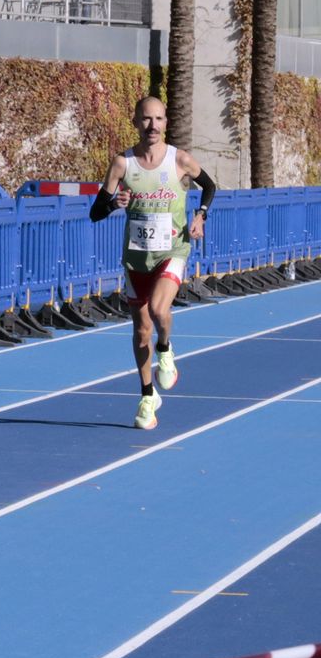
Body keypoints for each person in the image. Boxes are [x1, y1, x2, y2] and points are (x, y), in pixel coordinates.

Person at [90, 96, 215, 430]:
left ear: (166, 123)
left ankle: (167, 349)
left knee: (160, 312)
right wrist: (115, 203)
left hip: (172, 251)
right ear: (135, 121)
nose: (153, 126)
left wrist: (200, 216)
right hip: (136, 259)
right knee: (141, 331)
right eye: (146, 119)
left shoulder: (180, 160)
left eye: (159, 119)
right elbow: (95, 213)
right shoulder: (122, 164)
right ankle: (147, 396)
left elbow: (210, 186)